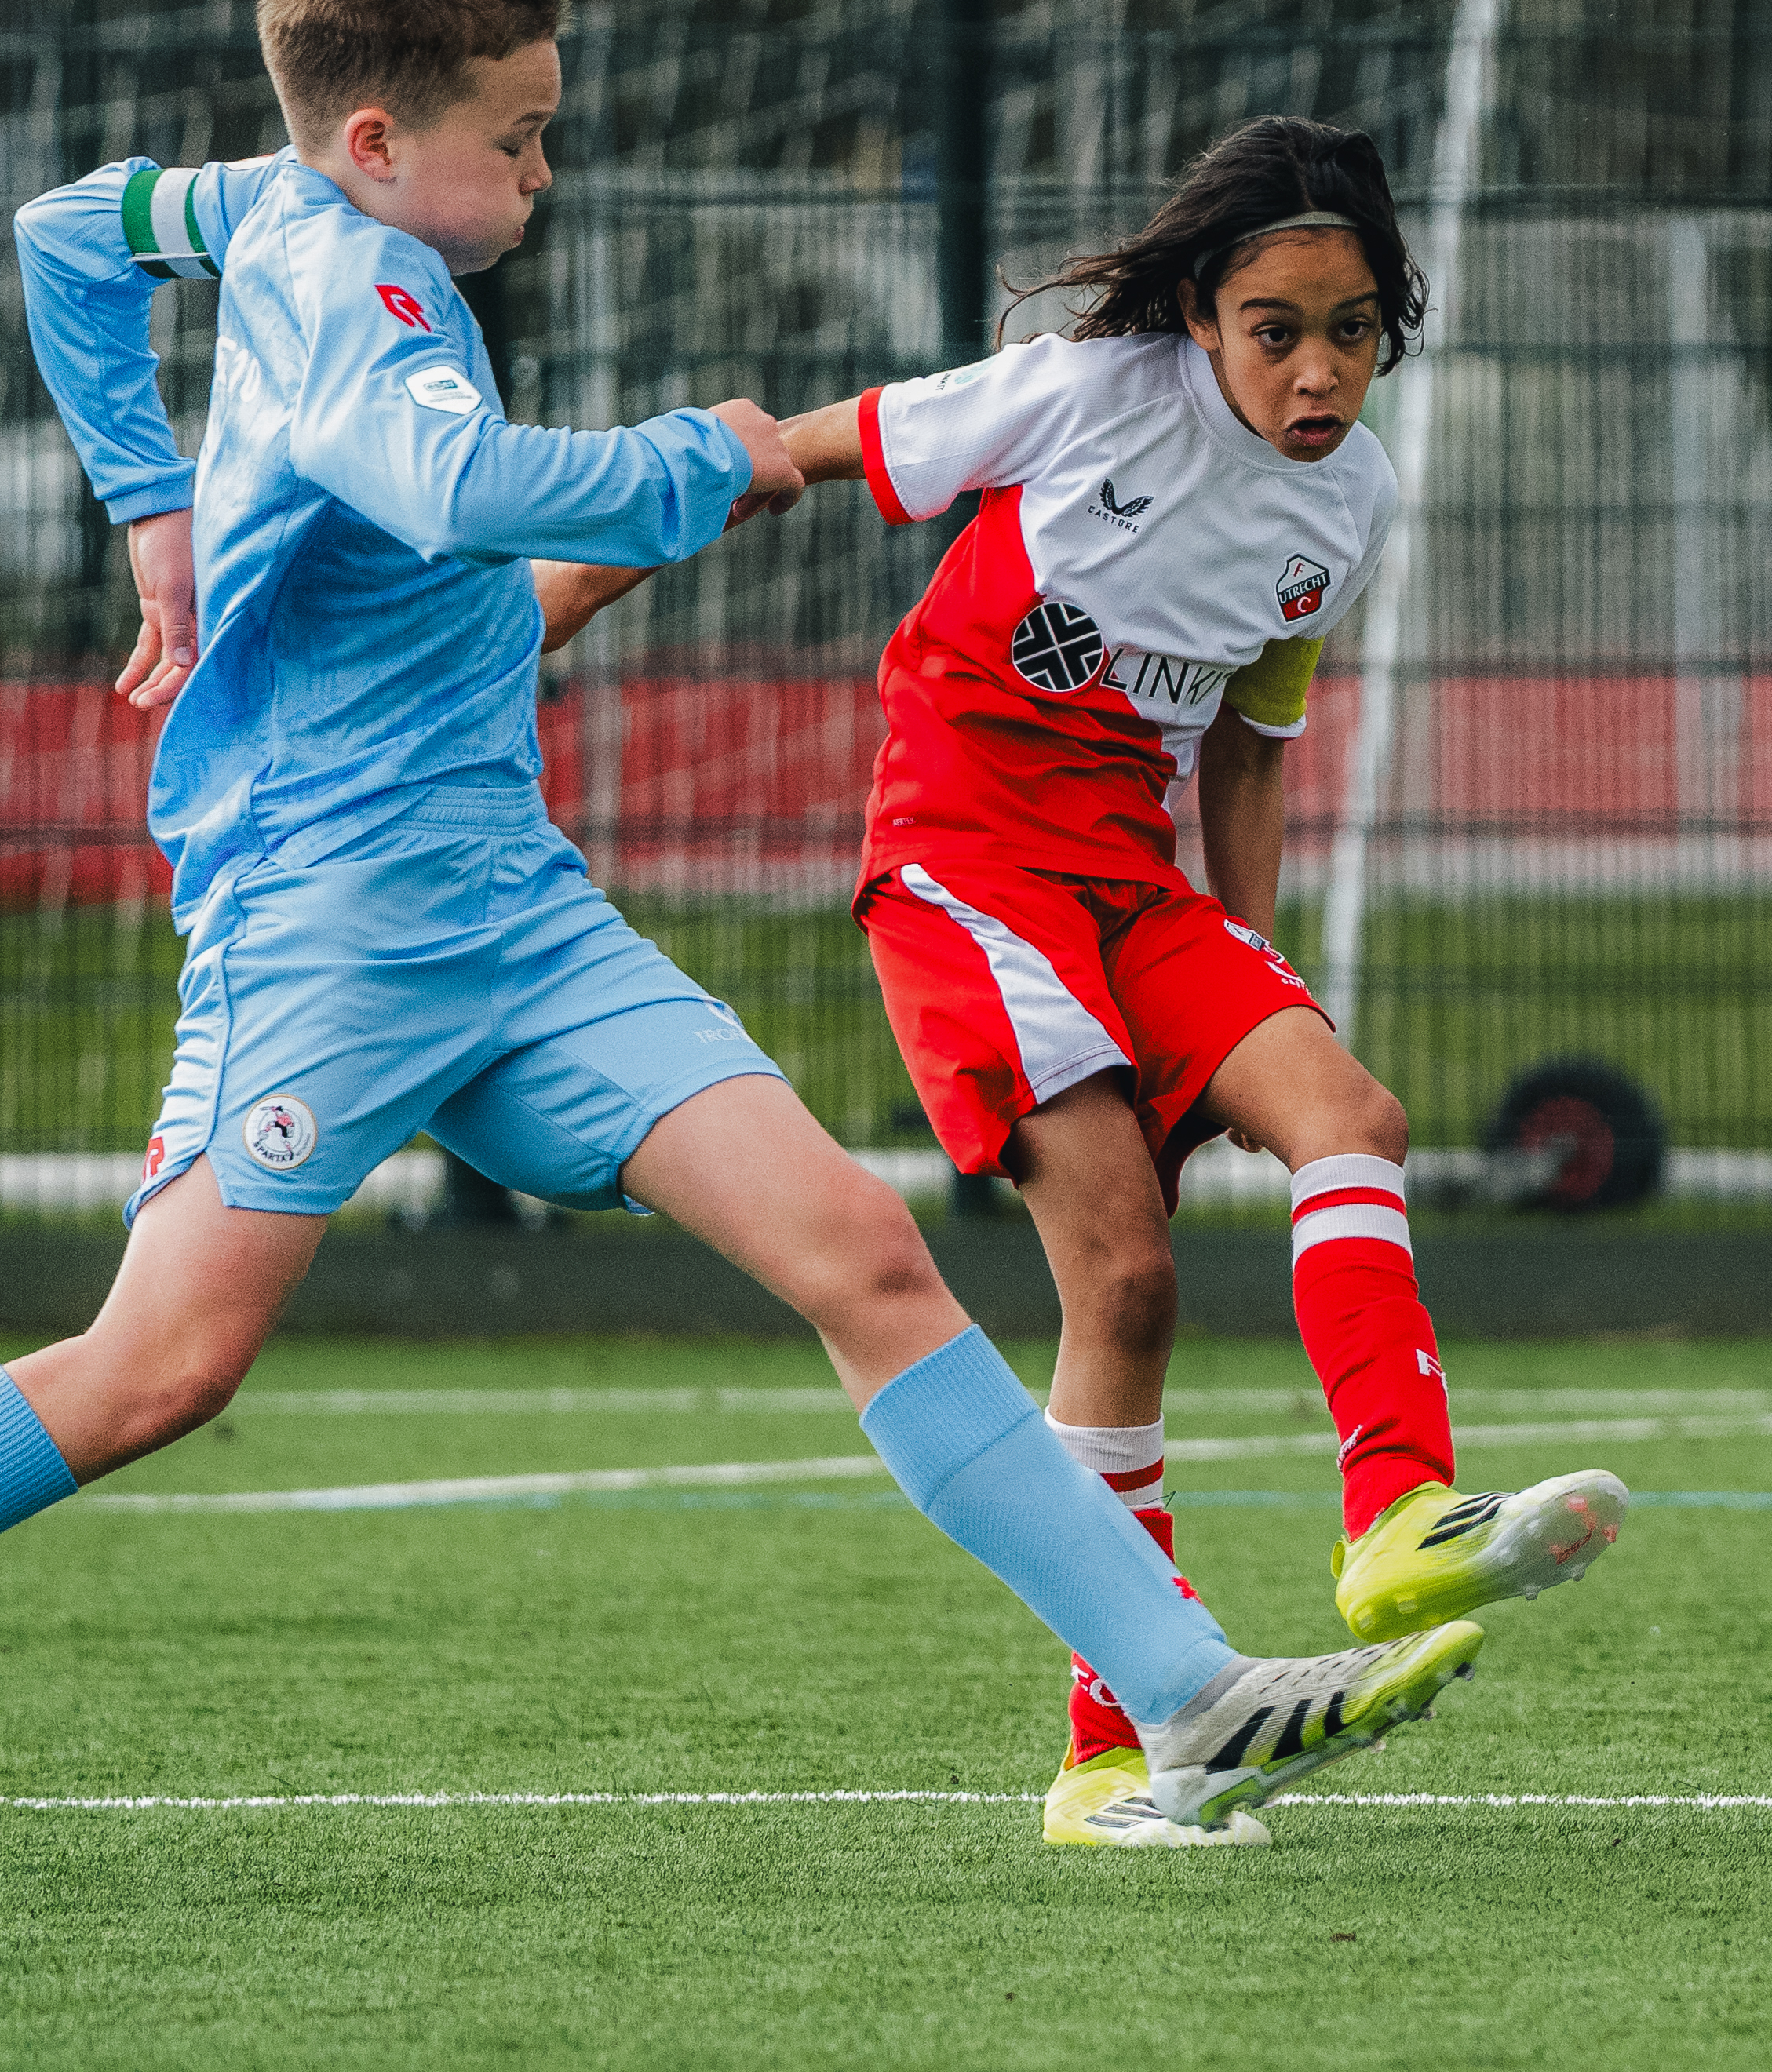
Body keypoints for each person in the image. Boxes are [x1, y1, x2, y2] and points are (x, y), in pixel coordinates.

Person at [0, 0, 1483, 1906]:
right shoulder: (350, 286)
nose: (543, 172)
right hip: (330, 914)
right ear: (377, 142)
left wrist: (151, 516)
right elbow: (459, 486)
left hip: (513, 910)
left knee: (860, 1253)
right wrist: (701, 462)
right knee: (157, 1373)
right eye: (519, 139)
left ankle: (1177, 1693)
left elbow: (63, 234)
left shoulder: (266, 194)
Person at [537, 117, 1631, 1848]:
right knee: (1123, 1280)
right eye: (1276, 326)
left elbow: (1253, 750)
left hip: (1131, 881)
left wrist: (1251, 960)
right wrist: (549, 606)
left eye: (1354, 328)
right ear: (1198, 315)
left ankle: (1397, 1520)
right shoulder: (1079, 388)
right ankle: (1114, 1756)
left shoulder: (1352, 504)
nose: (1319, 367)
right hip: (965, 870)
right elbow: (793, 455)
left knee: (1349, 1115)